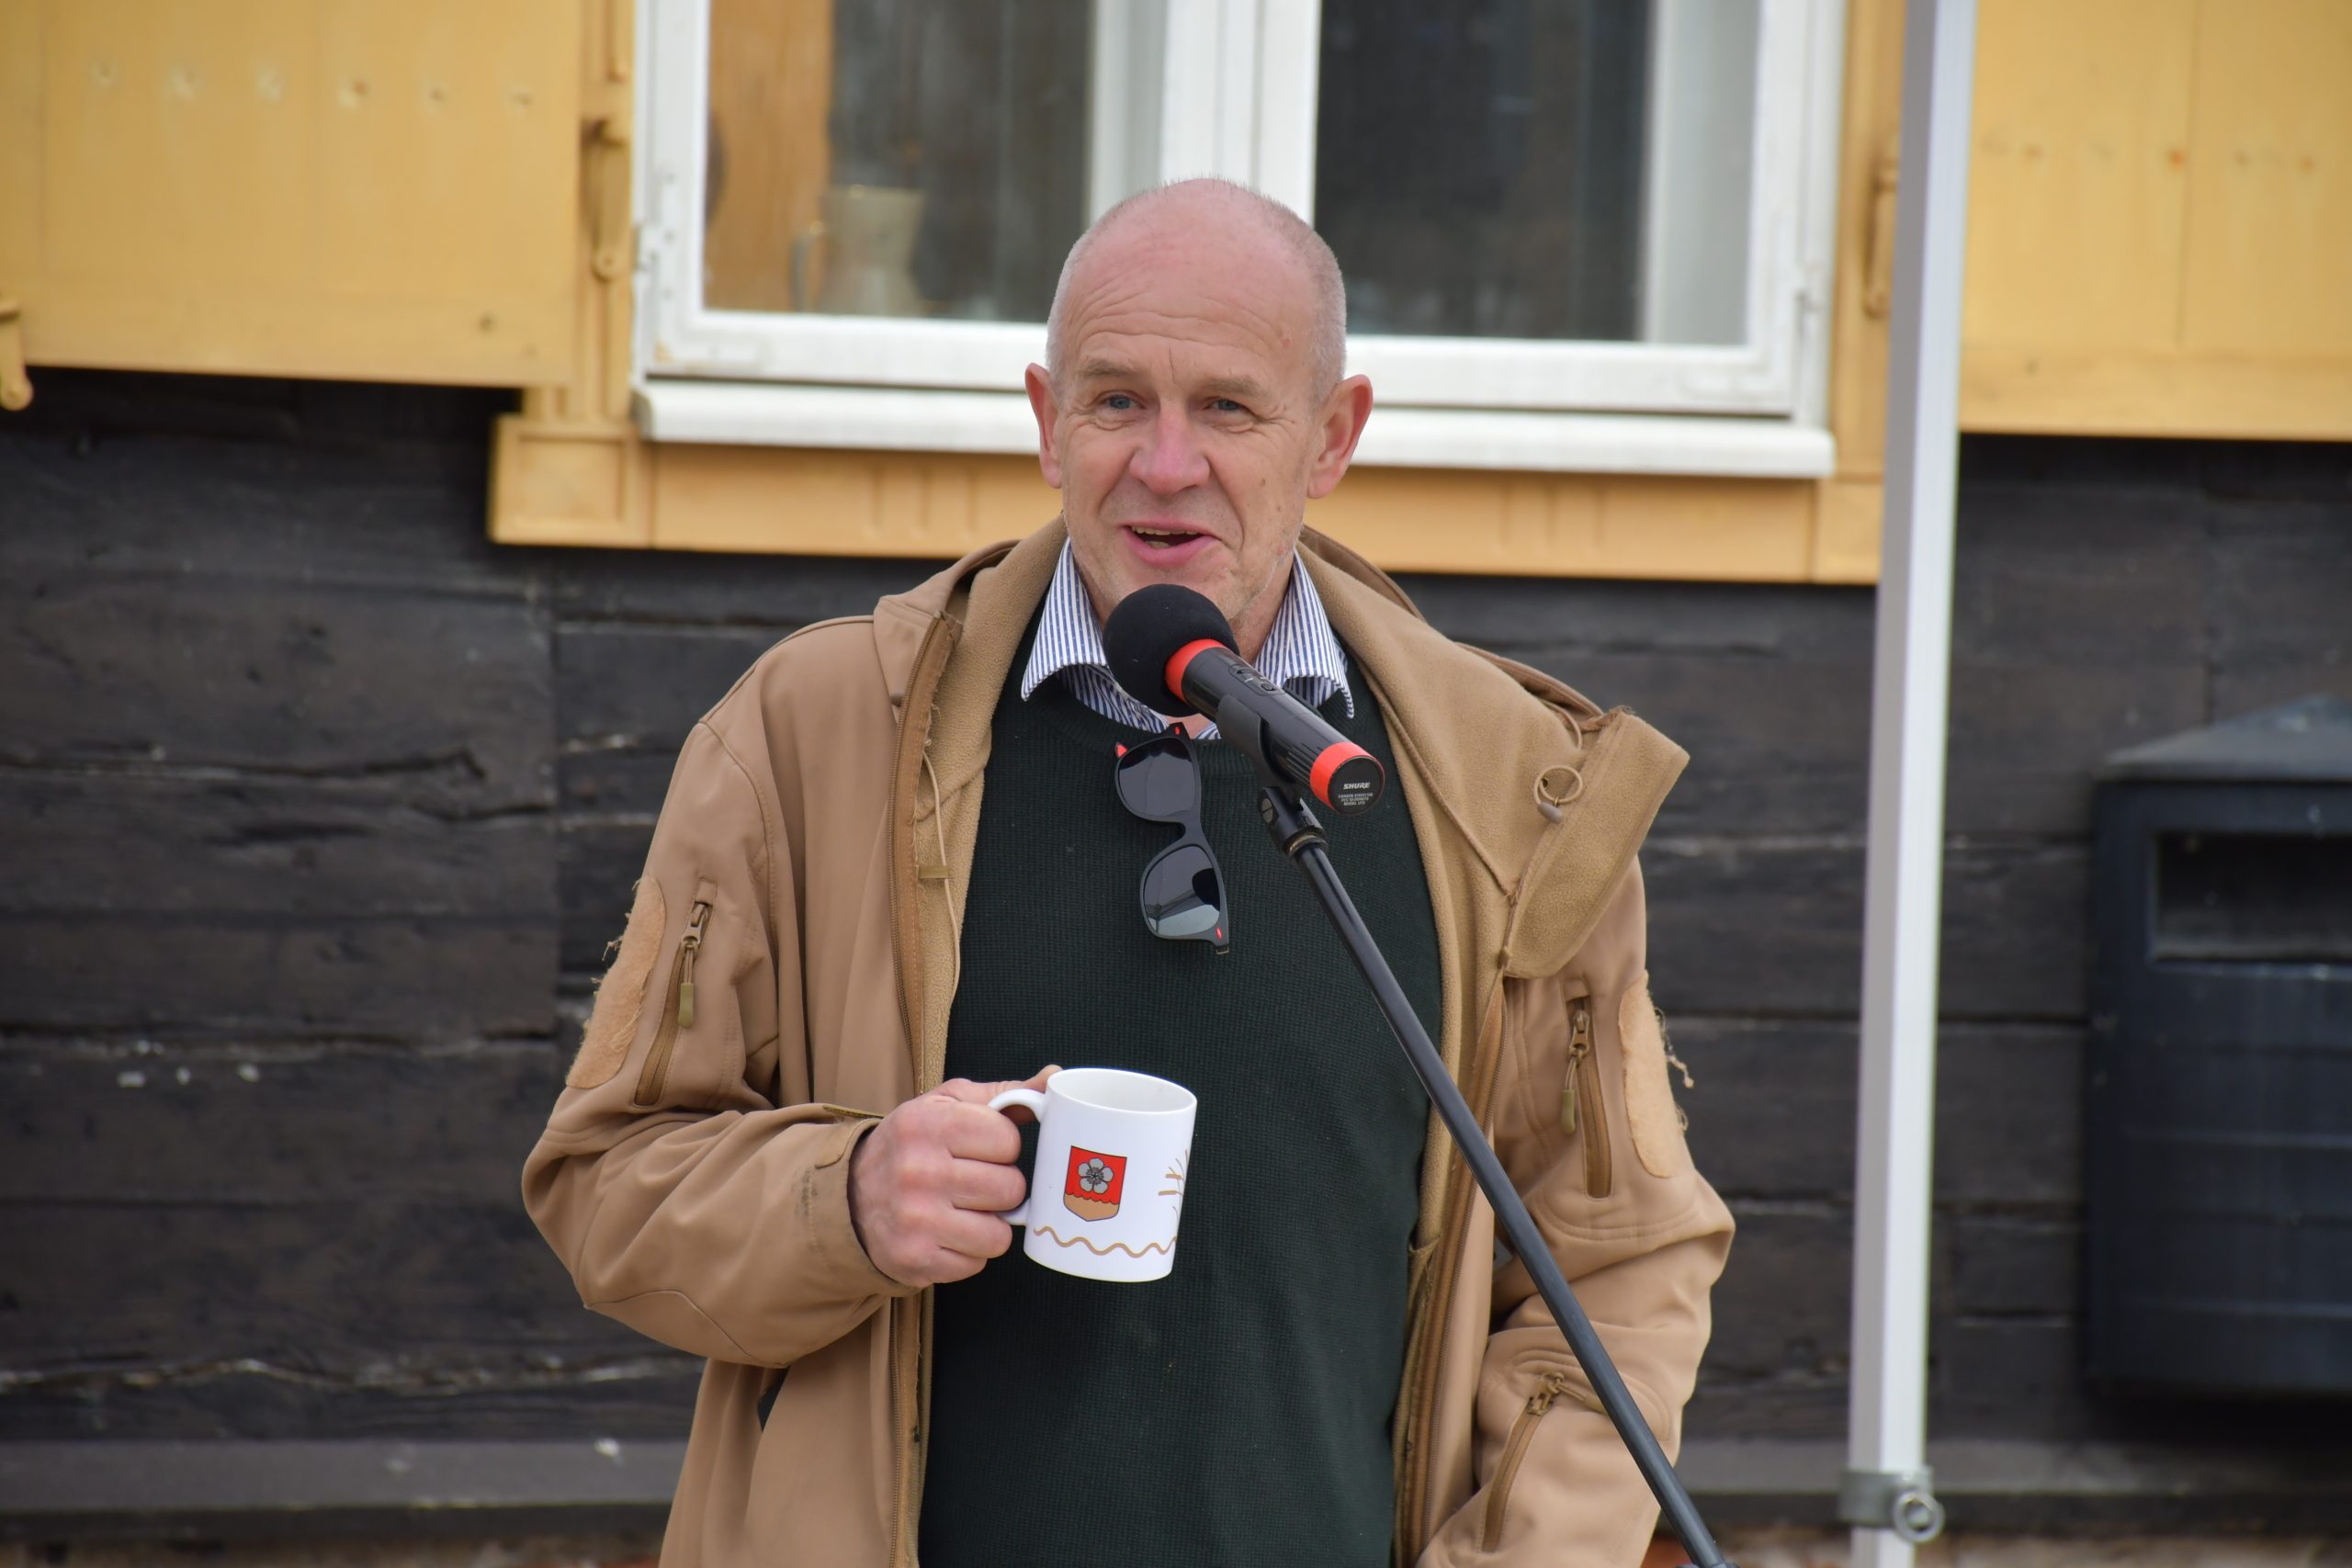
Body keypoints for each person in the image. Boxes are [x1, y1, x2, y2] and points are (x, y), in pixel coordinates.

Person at [525, 178, 1733, 1568]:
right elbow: (608, 1183)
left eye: (1229, 408)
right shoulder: (810, 736)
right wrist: (843, 1198)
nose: (1166, 464)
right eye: (1116, 402)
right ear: (1047, 422)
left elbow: (1618, 1272)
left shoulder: (1511, 792)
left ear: (1333, 436)